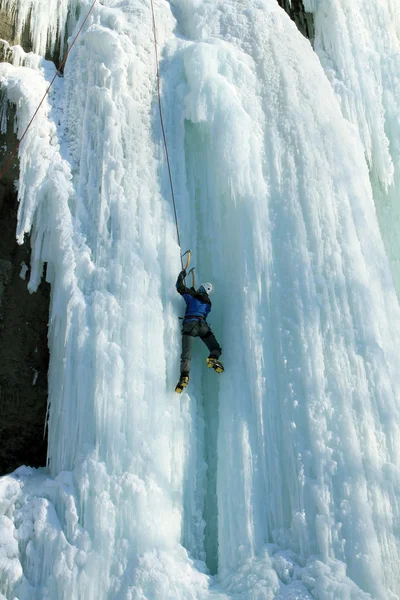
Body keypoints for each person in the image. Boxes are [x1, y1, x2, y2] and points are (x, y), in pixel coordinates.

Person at [175, 269, 224, 393]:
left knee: (187, 355)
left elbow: (179, 287)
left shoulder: (193, 295)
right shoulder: (208, 303)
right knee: (215, 347)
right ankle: (213, 358)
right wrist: (191, 292)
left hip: (190, 326)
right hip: (203, 326)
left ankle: (184, 376)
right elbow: (199, 307)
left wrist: (181, 275)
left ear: (201, 288)